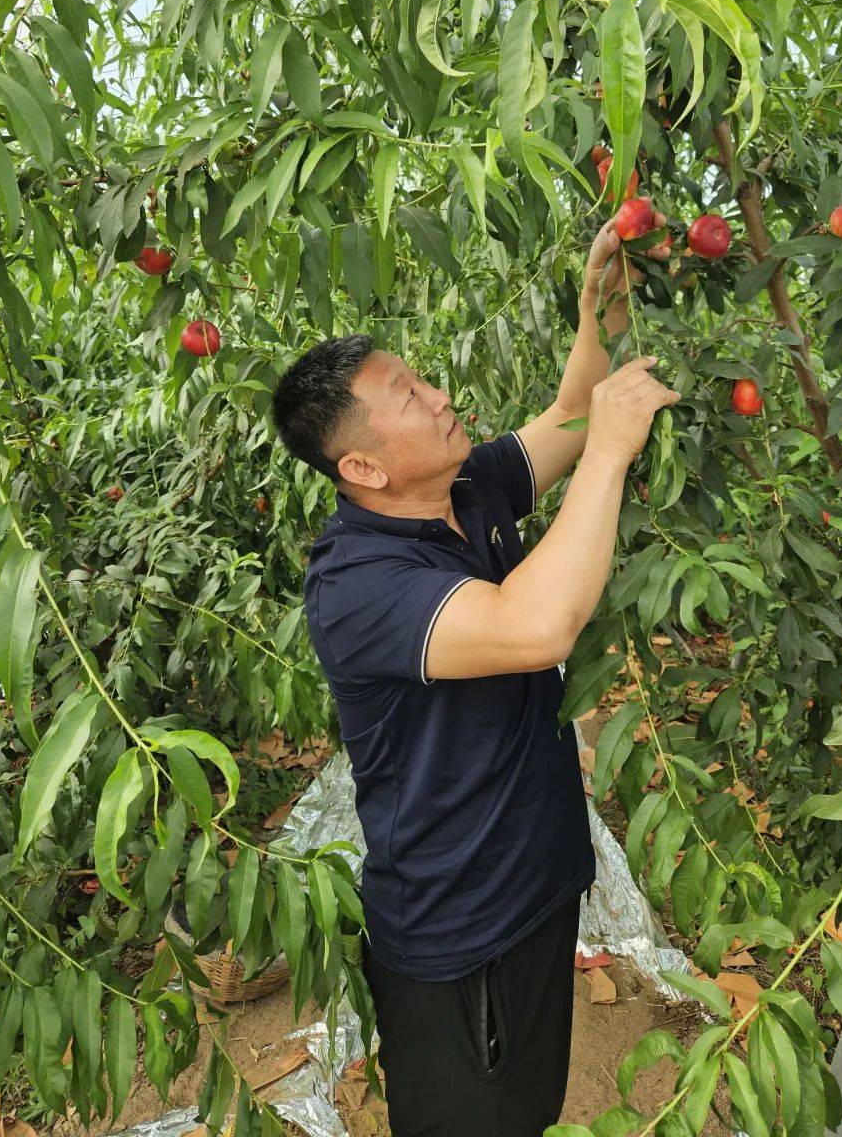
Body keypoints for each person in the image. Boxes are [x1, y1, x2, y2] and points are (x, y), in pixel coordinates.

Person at [270, 213, 676, 1136]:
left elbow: (569, 417)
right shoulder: (359, 583)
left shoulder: (467, 487)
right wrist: (613, 450)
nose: (441, 394)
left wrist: (598, 311)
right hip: (459, 934)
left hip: (536, 885)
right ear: (362, 465)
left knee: (528, 1109)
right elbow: (537, 626)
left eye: (421, 377)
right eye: (409, 394)